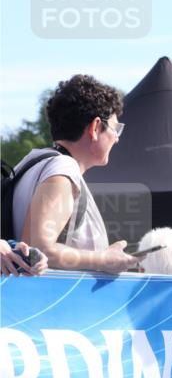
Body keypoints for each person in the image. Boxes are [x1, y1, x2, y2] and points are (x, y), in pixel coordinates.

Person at [12, 74, 138, 273]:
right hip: (53, 301)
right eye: (115, 129)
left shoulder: (32, 162)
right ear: (95, 127)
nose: (117, 139)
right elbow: (39, 250)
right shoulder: (63, 169)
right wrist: (103, 259)